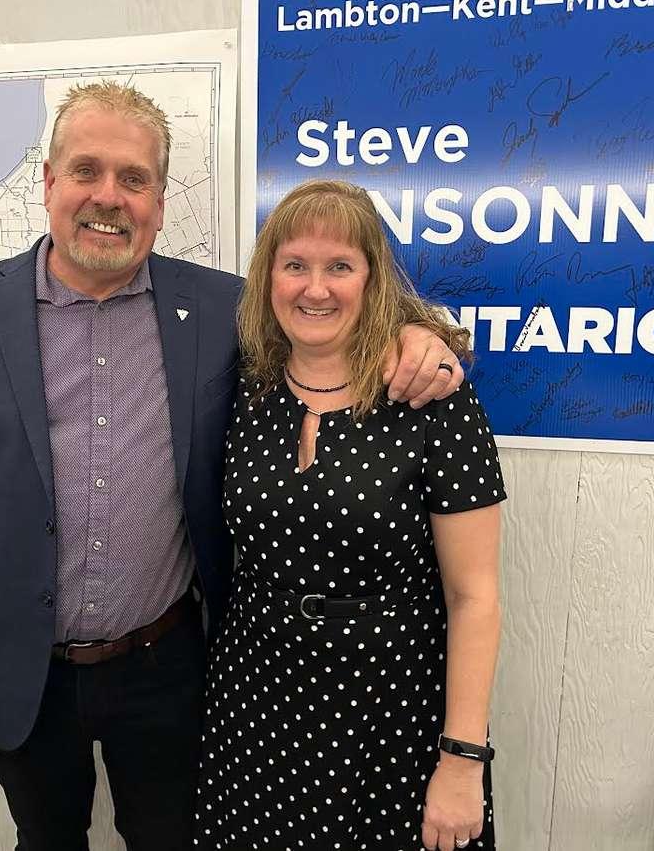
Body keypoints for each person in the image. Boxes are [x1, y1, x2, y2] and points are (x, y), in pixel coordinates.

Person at [0, 83, 465, 851]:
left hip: (172, 664)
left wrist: (416, 337)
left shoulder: (223, 312)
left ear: (160, 201)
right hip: (15, 660)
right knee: (43, 837)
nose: (109, 197)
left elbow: (329, 312)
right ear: (48, 182)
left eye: (134, 179)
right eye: (86, 171)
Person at [194, 179, 505, 851]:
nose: (316, 288)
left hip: (391, 719)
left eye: (340, 266)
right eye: (295, 265)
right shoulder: (242, 389)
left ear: (373, 279)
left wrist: (462, 760)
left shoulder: (432, 400)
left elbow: (473, 597)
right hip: (254, 709)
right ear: (268, 277)